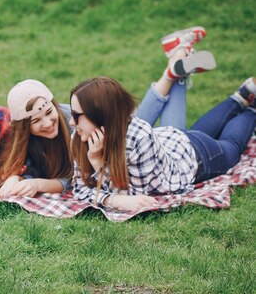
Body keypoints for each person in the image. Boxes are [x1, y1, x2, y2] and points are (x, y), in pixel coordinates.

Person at [69, 27, 256, 211]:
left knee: (231, 145)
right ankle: (242, 96)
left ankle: (252, 109)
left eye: (77, 116)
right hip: (173, 142)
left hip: (196, 157)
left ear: (100, 115)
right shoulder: (79, 136)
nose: (71, 122)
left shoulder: (137, 138)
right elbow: (79, 189)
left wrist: (97, 164)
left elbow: (135, 197)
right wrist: (111, 199)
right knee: (198, 132)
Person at [0, 79, 74, 197]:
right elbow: (31, 170)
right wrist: (16, 178)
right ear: (24, 128)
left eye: (49, 112)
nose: (48, 123)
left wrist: (38, 184)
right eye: (36, 120)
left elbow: (76, 179)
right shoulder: (25, 141)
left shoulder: (75, 124)